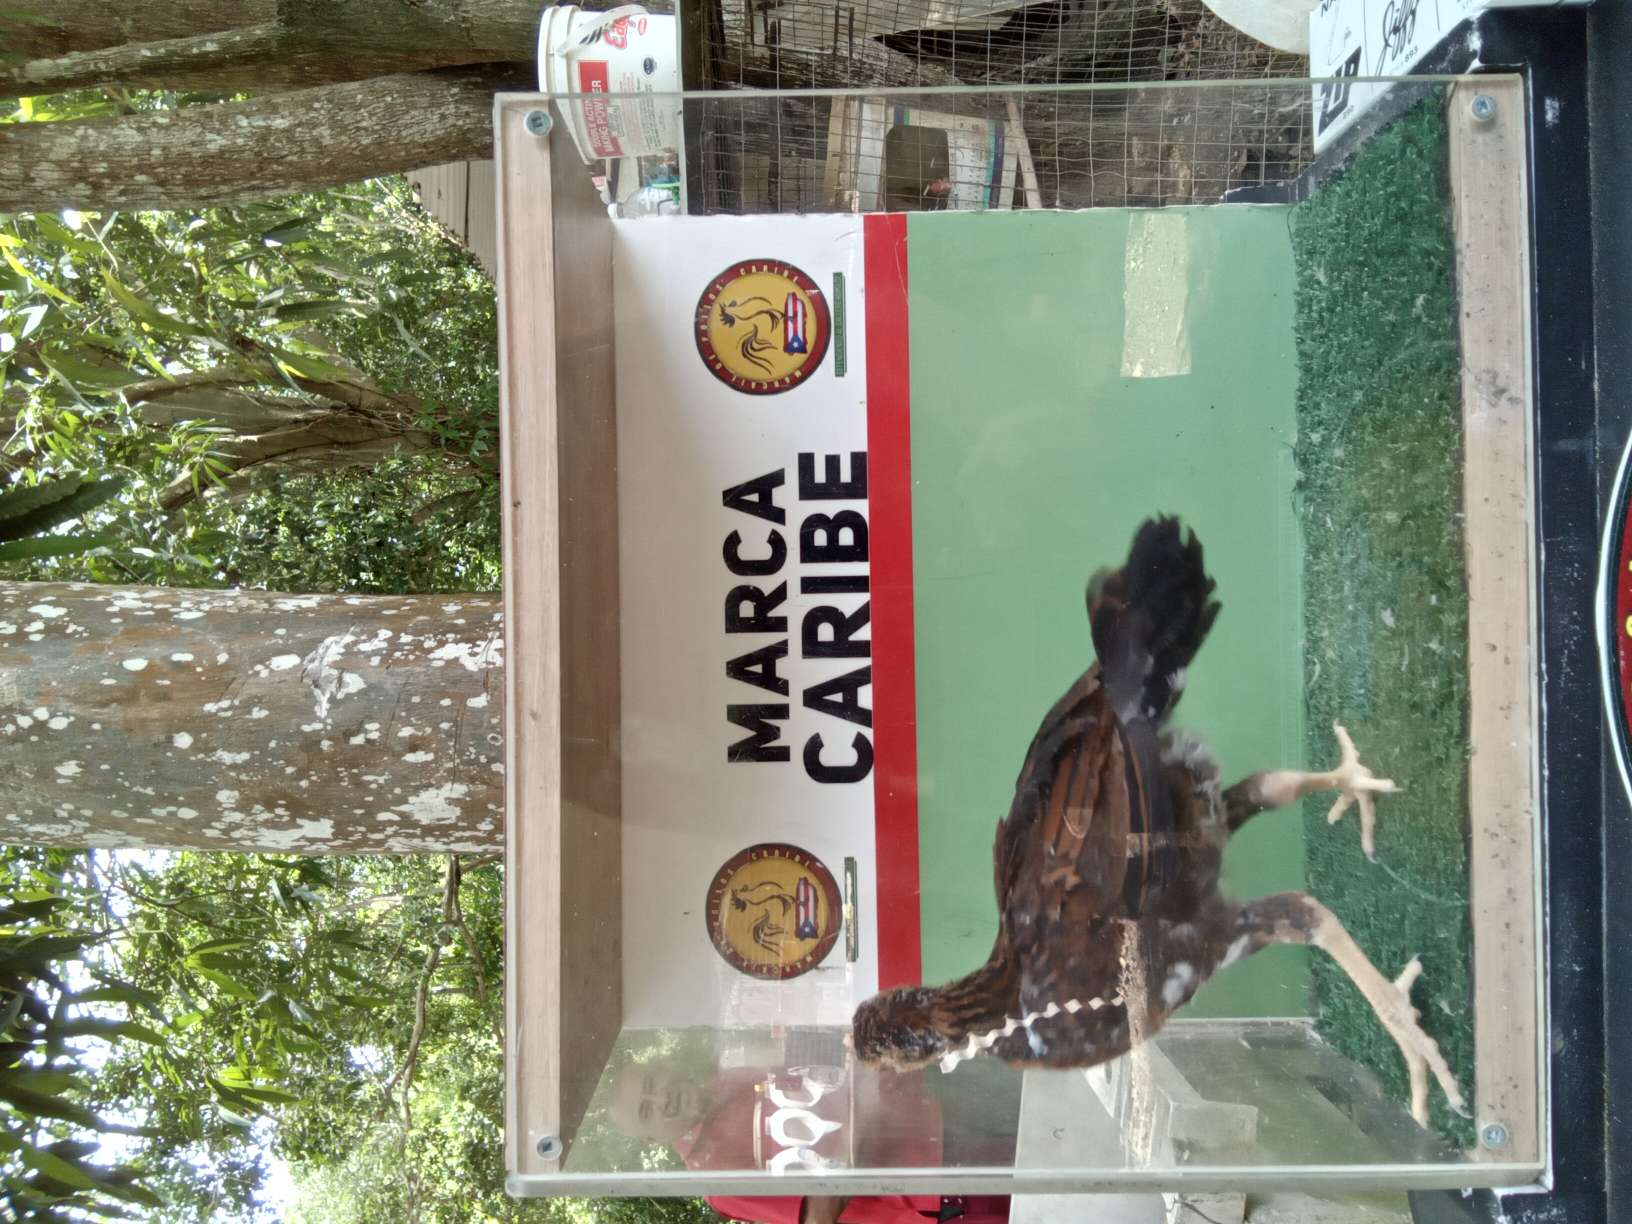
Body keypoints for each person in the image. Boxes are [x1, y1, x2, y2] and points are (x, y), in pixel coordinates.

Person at [609, 1061, 1009, 1223]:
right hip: (944, 1188)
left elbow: (828, 1065)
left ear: (664, 1068)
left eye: (652, 1083)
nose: (662, 1099)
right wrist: (861, 1118)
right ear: (650, 1138)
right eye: (646, 1109)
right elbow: (817, 1215)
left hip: (947, 1101)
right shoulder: (713, 1177)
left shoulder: (729, 1076)